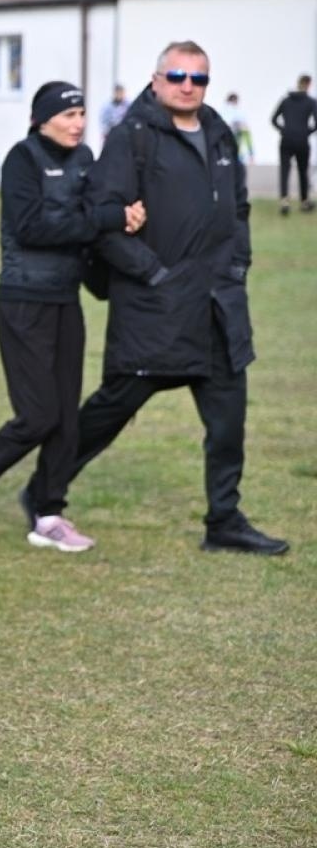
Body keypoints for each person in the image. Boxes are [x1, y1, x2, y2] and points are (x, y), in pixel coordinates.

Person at [27, 41, 288, 556]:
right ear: (156, 79)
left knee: (228, 424)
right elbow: (105, 219)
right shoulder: (133, 137)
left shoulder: (217, 132)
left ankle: (224, 520)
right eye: (177, 76)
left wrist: (238, 266)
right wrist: (156, 274)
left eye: (198, 78)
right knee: (107, 414)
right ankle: (42, 492)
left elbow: (237, 208)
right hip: (156, 311)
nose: (188, 86)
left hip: (218, 308)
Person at [0, 83, 144, 552]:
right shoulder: (23, 159)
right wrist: (109, 219)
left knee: (66, 421)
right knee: (38, 415)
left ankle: (49, 514)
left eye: (80, 113)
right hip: (22, 301)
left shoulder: (85, 158)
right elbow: (32, 227)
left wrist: (124, 220)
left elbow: (94, 215)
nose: (77, 122)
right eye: (68, 114)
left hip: (65, 300)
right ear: (41, 119)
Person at [271, 73, 315, 215]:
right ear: (308, 84)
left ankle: (284, 200)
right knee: (303, 170)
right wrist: (307, 131)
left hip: (286, 139)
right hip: (302, 139)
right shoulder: (310, 102)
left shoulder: (286, 100)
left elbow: (273, 119)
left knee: (285, 170)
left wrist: (283, 129)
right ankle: (304, 201)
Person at [224, 93, 253, 165]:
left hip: (241, 128)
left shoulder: (238, 108)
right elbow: (229, 120)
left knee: (245, 140)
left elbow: (242, 119)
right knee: (237, 144)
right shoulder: (228, 108)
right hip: (234, 129)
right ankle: (239, 157)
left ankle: (250, 156)